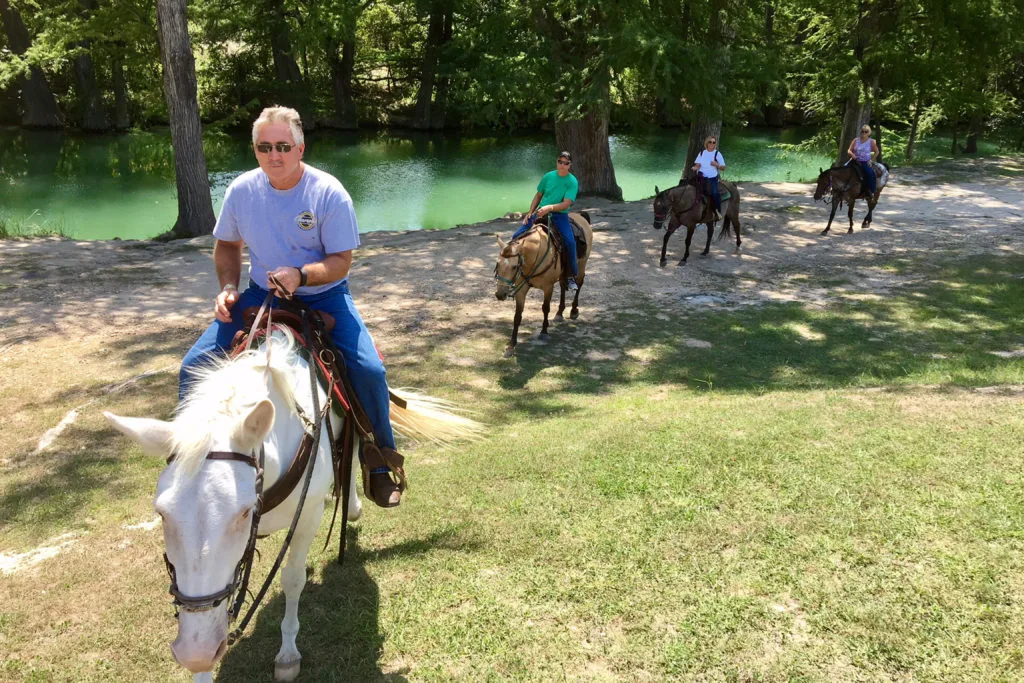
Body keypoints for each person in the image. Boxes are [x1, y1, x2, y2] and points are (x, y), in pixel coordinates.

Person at [178, 105, 404, 508]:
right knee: (192, 366)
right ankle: (188, 459)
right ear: (255, 149)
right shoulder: (242, 190)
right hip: (259, 295)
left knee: (370, 371)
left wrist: (301, 275)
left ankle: (380, 460)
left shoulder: (328, 192)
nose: (274, 155)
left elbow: (341, 260)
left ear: (301, 148)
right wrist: (229, 286)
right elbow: (227, 245)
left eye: (283, 145)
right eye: (264, 147)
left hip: (324, 296)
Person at [511, 150, 580, 291]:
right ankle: (514, 270)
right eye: (559, 162)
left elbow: (566, 203)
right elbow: (538, 195)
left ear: (570, 165)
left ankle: (570, 275)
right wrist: (530, 212)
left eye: (565, 163)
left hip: (559, 215)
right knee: (515, 237)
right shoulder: (548, 176)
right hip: (540, 212)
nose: (562, 165)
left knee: (570, 242)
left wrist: (550, 208)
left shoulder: (572, 181)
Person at [691, 135, 726, 219]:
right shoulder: (702, 153)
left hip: (712, 178)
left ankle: (718, 211)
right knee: (693, 192)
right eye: (710, 142)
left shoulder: (717, 154)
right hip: (701, 177)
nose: (712, 144)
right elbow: (698, 164)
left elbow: (723, 168)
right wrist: (695, 167)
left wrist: (716, 164)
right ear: (707, 143)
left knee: (714, 193)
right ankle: (695, 212)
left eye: (714, 142)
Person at [847, 124, 879, 197]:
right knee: (844, 168)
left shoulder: (871, 141)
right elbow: (849, 150)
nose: (864, 133)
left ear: (869, 132)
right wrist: (852, 155)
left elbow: (877, 152)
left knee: (870, 173)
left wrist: (871, 160)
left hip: (864, 161)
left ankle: (872, 191)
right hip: (854, 160)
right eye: (862, 131)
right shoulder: (855, 140)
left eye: (866, 131)